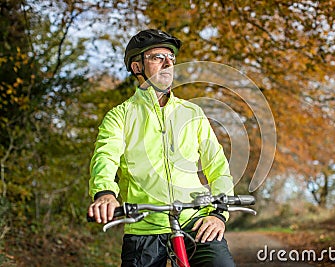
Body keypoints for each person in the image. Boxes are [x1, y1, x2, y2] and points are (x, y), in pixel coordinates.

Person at [87, 29, 235, 267]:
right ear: (137, 68)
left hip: (195, 222)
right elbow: (106, 156)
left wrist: (218, 214)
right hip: (144, 227)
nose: (168, 63)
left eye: (171, 58)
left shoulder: (192, 113)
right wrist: (105, 194)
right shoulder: (120, 116)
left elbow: (217, 166)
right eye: (157, 57)